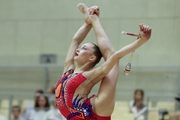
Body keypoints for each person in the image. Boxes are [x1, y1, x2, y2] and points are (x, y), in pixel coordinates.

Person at [55, 3, 152, 120]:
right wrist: (87, 23)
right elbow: (75, 41)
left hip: (93, 113)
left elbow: (115, 57)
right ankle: (93, 19)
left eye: (84, 48)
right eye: (81, 47)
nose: (79, 49)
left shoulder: (88, 75)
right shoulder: (68, 70)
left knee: (112, 60)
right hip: (81, 114)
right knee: (111, 58)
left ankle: (95, 19)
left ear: (92, 58)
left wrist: (140, 42)